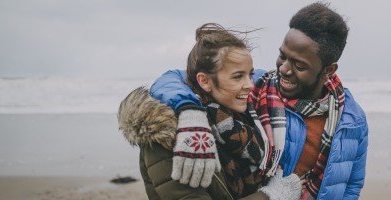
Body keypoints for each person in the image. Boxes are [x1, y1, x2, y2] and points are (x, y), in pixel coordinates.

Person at [150, 3, 368, 199]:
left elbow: (352, 185)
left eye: (299, 65)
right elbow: (173, 79)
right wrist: (190, 112)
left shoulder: (352, 119)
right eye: (283, 55)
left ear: (328, 70)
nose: (283, 69)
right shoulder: (256, 86)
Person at [118, 23, 301, 200]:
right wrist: (271, 195)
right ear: (204, 81)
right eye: (238, 76)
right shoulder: (170, 137)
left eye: (250, 74)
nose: (250, 85)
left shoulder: (249, 118)